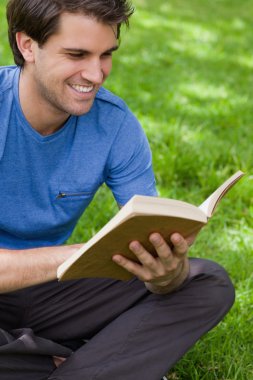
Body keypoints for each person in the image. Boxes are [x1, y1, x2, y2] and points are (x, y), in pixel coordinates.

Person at [0, 0, 235, 379]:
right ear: (27, 45)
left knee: (206, 283)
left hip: (54, 293)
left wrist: (165, 275)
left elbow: (156, 246)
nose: (95, 74)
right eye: (77, 54)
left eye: (106, 54)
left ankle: (38, 361)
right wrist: (82, 253)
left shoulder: (115, 125)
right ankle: (58, 360)